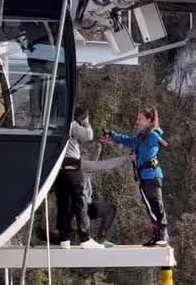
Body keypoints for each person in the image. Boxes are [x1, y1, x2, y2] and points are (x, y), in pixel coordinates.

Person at [102, 106, 170, 246]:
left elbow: (153, 146)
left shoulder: (152, 136)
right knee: (150, 207)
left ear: (149, 121)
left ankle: (162, 234)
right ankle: (158, 236)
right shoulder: (141, 137)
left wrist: (137, 155)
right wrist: (112, 135)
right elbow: (128, 140)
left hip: (152, 176)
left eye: (140, 119)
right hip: (145, 178)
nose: (137, 121)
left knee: (156, 205)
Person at [55, 105, 99, 248]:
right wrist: (85, 121)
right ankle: (85, 238)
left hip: (58, 170)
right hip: (73, 167)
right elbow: (88, 135)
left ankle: (64, 239)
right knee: (80, 202)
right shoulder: (70, 123)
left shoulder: (48, 122)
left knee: (63, 205)